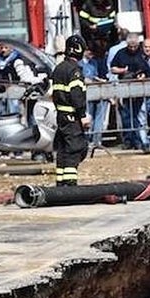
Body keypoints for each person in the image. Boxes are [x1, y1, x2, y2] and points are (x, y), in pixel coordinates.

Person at [51, 35, 91, 186]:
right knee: (75, 149)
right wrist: (82, 116)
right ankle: (70, 183)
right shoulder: (74, 71)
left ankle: (61, 183)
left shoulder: (59, 68)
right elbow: (76, 95)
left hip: (61, 116)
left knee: (63, 149)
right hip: (72, 116)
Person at [110, 32, 146, 149]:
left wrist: (143, 75)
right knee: (126, 116)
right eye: (130, 46)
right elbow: (112, 68)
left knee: (136, 115)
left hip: (139, 88)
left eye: (135, 46)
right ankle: (127, 141)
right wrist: (123, 71)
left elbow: (148, 67)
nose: (133, 48)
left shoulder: (142, 53)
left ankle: (138, 141)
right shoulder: (121, 53)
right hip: (124, 87)